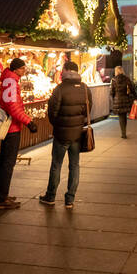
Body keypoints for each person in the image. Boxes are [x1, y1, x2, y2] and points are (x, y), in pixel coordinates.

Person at [39, 61, 90, 208]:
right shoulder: (85, 88)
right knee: (75, 165)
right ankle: (70, 199)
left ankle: (51, 196)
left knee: (56, 165)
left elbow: (52, 111)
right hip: (77, 134)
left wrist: (58, 123)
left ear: (66, 71)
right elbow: (88, 109)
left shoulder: (60, 89)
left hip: (61, 134)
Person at [0, 58, 36, 210]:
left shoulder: (9, 80)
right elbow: (13, 107)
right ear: (16, 69)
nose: (25, 71)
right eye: (23, 68)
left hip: (9, 128)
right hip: (11, 129)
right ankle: (1, 199)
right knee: (7, 164)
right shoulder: (11, 82)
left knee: (4, 162)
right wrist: (29, 122)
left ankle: (1, 195)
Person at [110, 65, 134, 138]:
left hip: (118, 99)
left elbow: (112, 91)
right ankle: (124, 132)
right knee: (124, 116)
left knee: (121, 117)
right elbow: (132, 89)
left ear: (116, 71)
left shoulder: (114, 80)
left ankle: (123, 133)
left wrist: (114, 98)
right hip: (125, 99)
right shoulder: (127, 79)